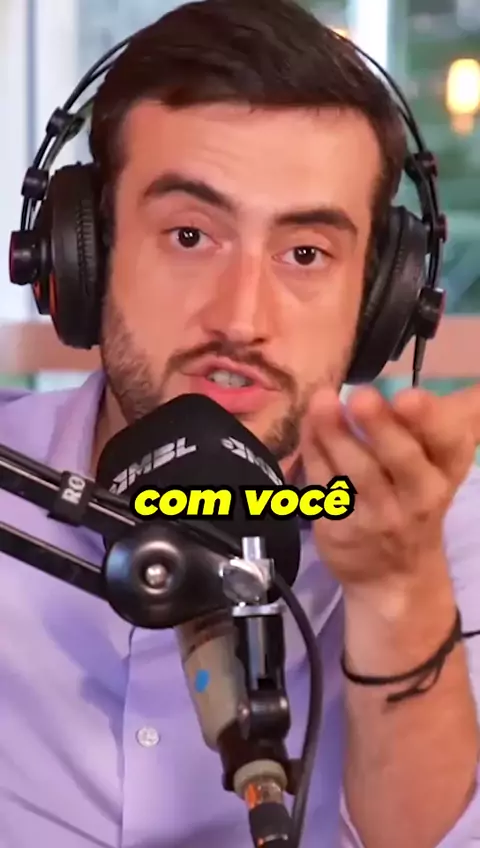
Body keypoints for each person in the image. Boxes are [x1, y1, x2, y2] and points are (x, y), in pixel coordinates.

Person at [2, 0, 480, 845]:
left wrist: (398, 592)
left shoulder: (451, 535)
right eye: (190, 235)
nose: (241, 318)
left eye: (306, 254)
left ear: (381, 302)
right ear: (84, 255)